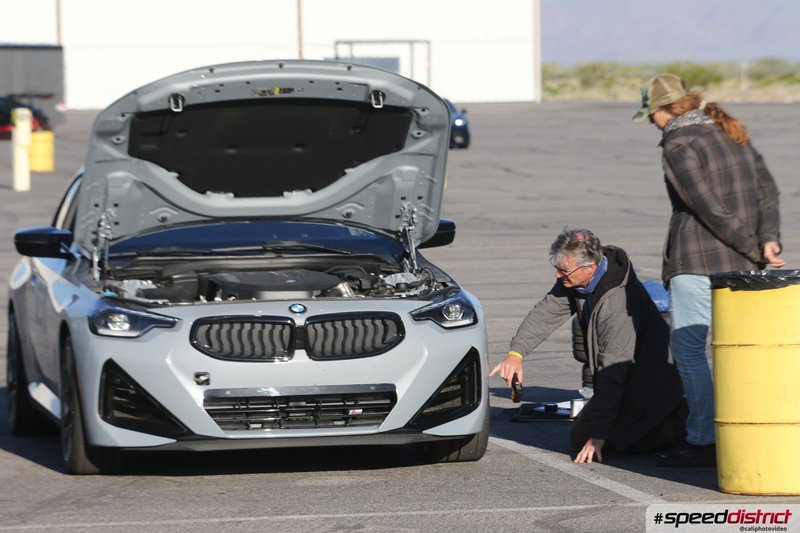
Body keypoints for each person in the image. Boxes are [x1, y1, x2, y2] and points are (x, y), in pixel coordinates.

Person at [633, 73, 785, 467]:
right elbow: (768, 189)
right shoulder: (728, 130)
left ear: (661, 111)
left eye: (650, 114)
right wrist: (767, 241)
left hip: (697, 261)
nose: (651, 122)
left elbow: (707, 207)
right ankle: (743, 429)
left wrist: (754, 246)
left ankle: (703, 438)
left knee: (689, 350)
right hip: (744, 263)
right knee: (737, 352)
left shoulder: (678, 143)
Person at [489, 228, 686, 464]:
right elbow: (545, 313)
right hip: (622, 379)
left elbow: (613, 371)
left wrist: (599, 435)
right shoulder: (577, 280)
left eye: (563, 270)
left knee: (606, 440)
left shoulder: (617, 305)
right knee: (580, 436)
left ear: (589, 267)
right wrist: (515, 354)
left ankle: (681, 423)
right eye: (556, 268)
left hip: (649, 383)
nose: (558, 275)